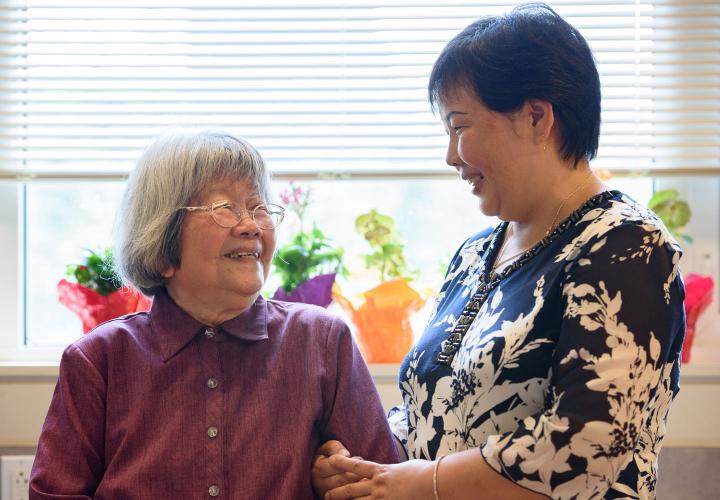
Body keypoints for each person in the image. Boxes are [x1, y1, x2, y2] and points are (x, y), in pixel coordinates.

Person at [312, 4, 685, 499]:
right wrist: (361, 466)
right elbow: (432, 413)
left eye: (459, 126)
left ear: (536, 117)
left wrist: (424, 483)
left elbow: (588, 445)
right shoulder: (473, 255)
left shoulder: (626, 246)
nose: (450, 156)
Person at [29, 131, 399, 499]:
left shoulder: (322, 341)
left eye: (259, 208)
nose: (252, 225)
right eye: (224, 208)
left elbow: (381, 484)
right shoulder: (98, 361)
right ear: (162, 243)